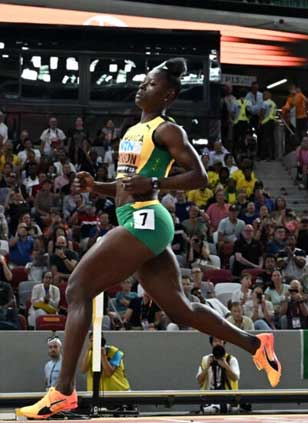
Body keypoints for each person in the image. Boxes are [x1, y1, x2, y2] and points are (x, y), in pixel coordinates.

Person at [18, 58, 280, 420]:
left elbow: (200, 177)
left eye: (151, 84)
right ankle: (256, 344)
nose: (142, 87)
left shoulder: (167, 130)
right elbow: (127, 189)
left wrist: (156, 184)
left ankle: (62, 392)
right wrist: (97, 188)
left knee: (78, 289)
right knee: (179, 308)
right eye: (142, 81)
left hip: (148, 220)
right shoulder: (131, 132)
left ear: (168, 94)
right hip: (135, 216)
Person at [197, 336, 240, 414]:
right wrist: (207, 367)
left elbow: (235, 378)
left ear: (224, 343)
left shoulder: (231, 359)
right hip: (208, 396)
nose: (218, 343)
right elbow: (199, 381)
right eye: (215, 341)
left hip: (228, 397)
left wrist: (226, 366)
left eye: (220, 341)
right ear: (211, 344)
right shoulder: (205, 359)